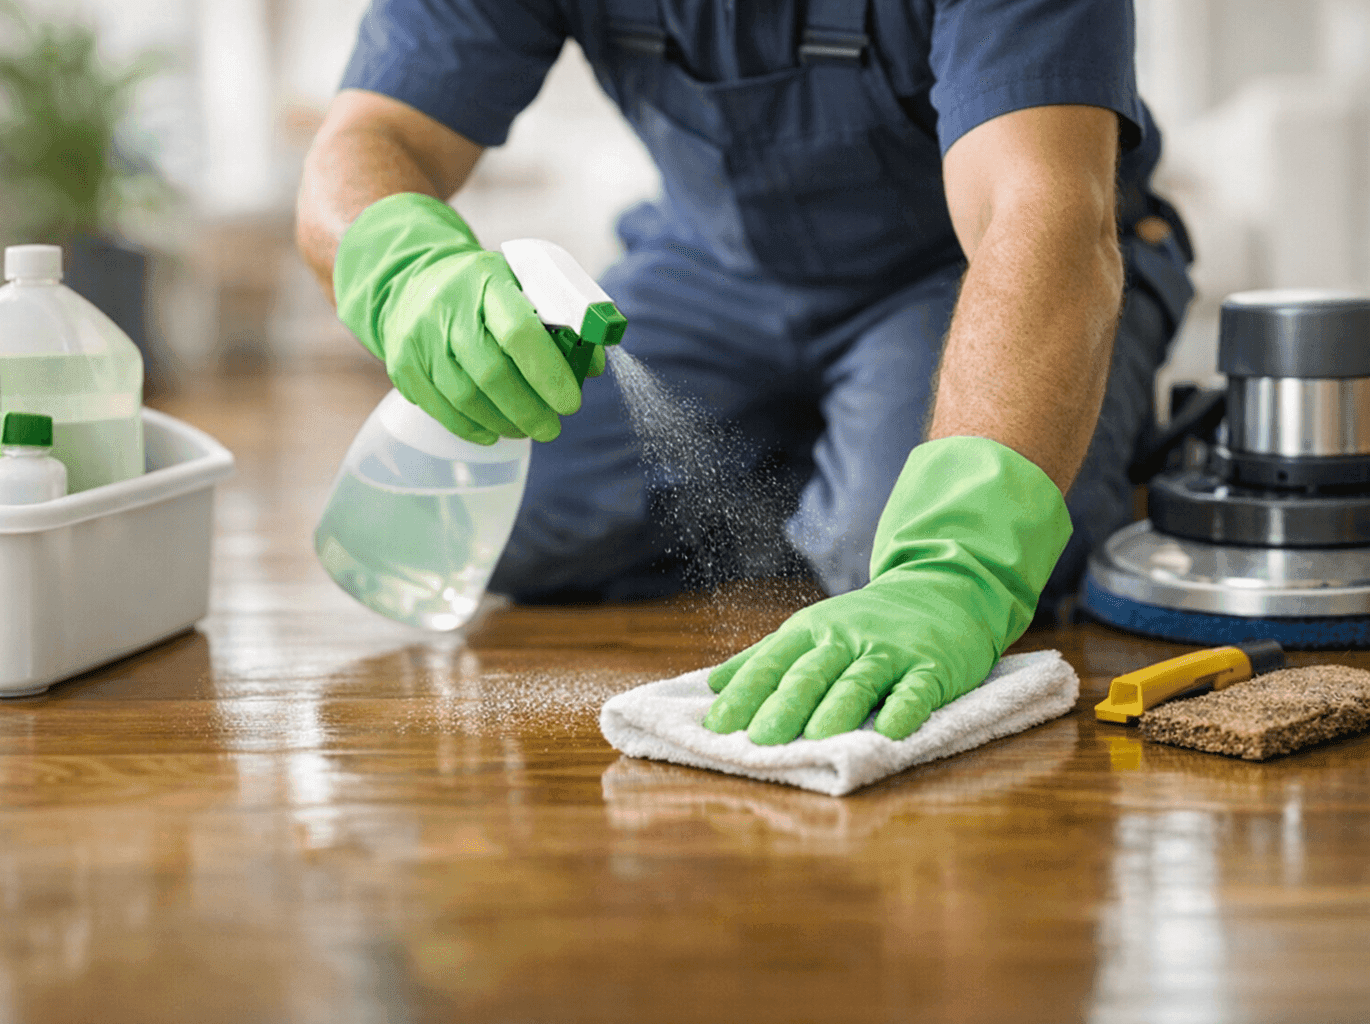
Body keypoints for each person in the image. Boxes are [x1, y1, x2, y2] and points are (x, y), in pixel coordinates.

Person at [296, 0, 1194, 746]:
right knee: (514, 518)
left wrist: (954, 569)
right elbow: (368, 136)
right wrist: (408, 270)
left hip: (962, 272)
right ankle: (842, 467)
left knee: (917, 559)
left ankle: (899, 478)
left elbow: (1038, 212)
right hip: (712, 270)